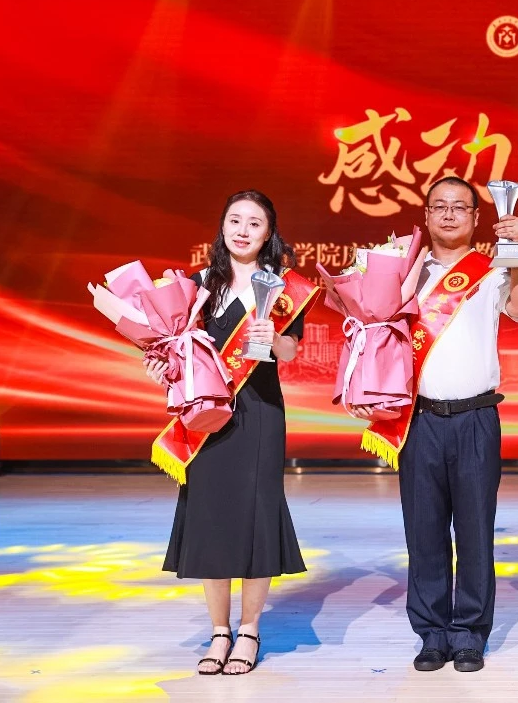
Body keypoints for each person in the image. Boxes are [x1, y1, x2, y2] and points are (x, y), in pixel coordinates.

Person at [354, 176, 518, 673]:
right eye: (440, 206)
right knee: (424, 532)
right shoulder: (403, 272)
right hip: (420, 421)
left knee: (475, 531)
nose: (450, 214)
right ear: (427, 215)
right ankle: (432, 633)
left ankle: (470, 633)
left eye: (460, 207)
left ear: (477, 218)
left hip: (476, 417)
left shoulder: (493, 269)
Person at [148, 190, 314, 675]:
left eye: (254, 223)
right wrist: (160, 365)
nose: (243, 230)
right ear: (222, 226)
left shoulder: (285, 287)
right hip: (207, 416)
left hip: (260, 412)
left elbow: (291, 351)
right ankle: (219, 631)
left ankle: (250, 630)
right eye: (235, 220)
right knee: (211, 516)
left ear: (269, 233)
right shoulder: (196, 285)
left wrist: (274, 339)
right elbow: (177, 351)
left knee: (258, 516)